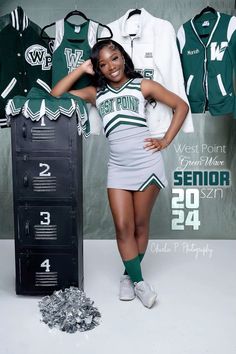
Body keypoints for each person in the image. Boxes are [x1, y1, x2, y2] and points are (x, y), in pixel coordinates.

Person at [51, 39, 189, 309]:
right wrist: (82, 70)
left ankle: (130, 277)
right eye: (102, 63)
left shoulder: (143, 85)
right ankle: (140, 283)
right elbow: (56, 95)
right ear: (98, 68)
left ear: (123, 57)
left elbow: (180, 106)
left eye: (114, 58)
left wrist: (165, 141)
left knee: (139, 224)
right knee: (123, 226)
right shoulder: (95, 93)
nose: (110, 66)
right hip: (117, 167)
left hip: (147, 162)